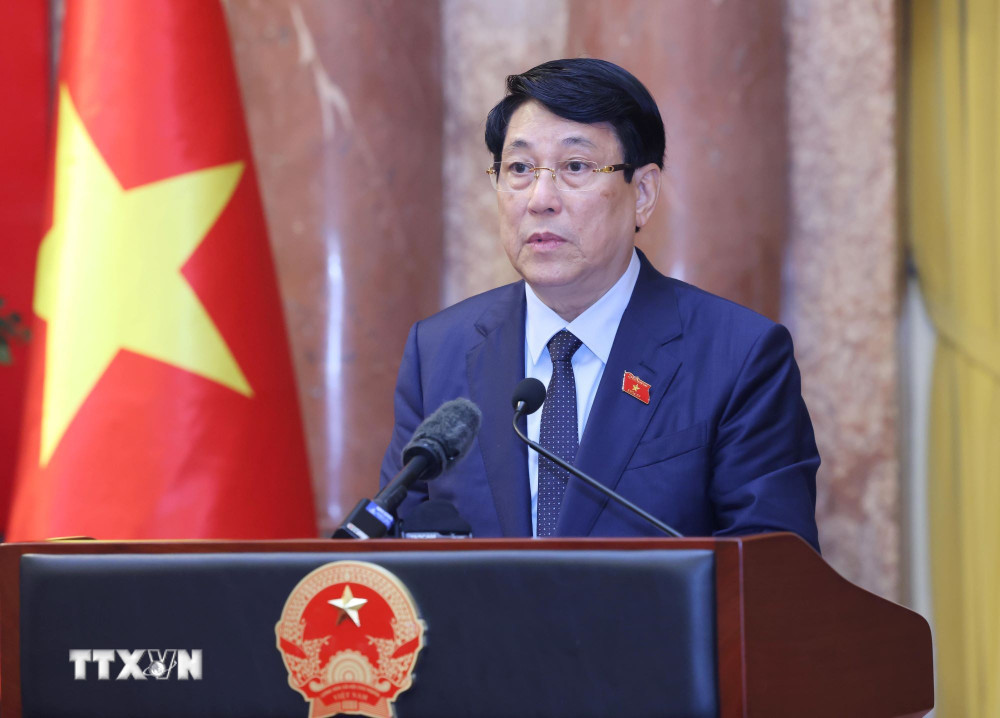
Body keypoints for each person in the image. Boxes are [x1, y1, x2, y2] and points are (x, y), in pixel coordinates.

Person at [379, 58, 820, 551]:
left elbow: (769, 574)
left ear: (643, 193)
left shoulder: (738, 357)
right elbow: (397, 553)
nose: (540, 199)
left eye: (575, 167)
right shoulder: (438, 351)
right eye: (520, 169)